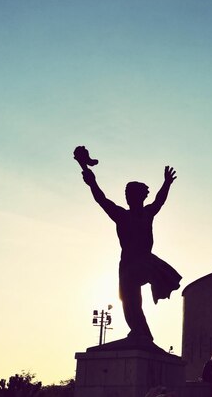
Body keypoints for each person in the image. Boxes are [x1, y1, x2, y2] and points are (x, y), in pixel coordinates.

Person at [75, 146, 181, 342]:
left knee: (130, 300)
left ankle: (140, 332)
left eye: (129, 194)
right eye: (127, 194)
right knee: (131, 301)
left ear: (138, 197)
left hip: (138, 264)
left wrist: (167, 184)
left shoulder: (135, 215)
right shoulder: (125, 215)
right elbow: (102, 199)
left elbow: (159, 200)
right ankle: (141, 333)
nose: (127, 197)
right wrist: (91, 182)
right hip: (133, 264)